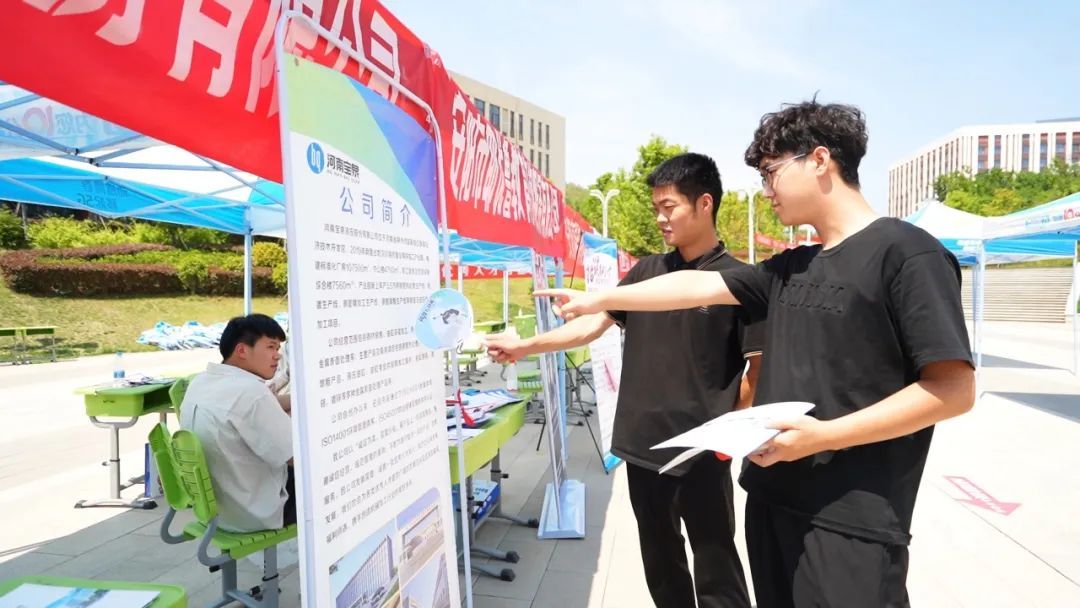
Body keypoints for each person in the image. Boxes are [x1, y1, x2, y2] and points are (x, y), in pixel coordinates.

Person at [537, 100, 976, 607]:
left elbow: (954, 389)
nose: (766, 190)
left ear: (819, 160)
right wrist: (601, 299)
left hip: (850, 519)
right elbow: (694, 287)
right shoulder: (792, 267)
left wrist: (824, 436)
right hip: (771, 499)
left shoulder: (907, 254)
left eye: (771, 173)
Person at [487, 153, 760, 608]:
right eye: (656, 208)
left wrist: (726, 430)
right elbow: (591, 325)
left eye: (669, 207)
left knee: (717, 566)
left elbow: (758, 370)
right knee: (661, 561)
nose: (660, 218)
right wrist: (525, 347)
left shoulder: (738, 281)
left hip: (701, 454)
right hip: (641, 447)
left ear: (704, 203)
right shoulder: (647, 272)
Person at [180, 313, 295, 533]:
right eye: (270, 347)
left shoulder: (201, 382)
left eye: (278, 348)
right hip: (256, 511)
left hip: (217, 508)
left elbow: (261, 405)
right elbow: (295, 457)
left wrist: (303, 400)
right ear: (242, 350)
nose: (278, 356)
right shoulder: (252, 393)